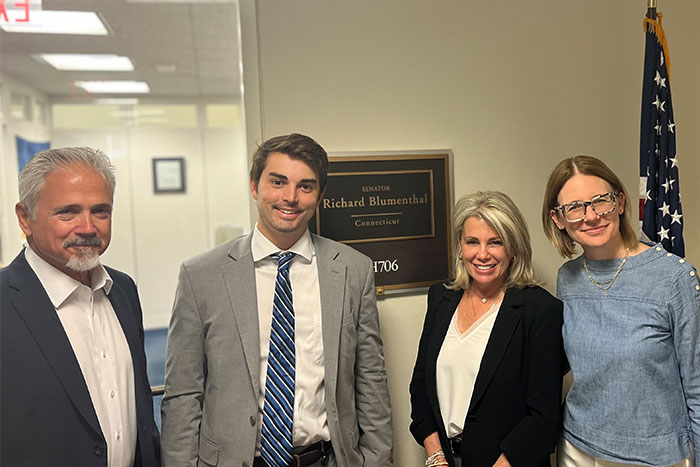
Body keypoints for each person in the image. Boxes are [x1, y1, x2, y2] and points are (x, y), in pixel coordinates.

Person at [160, 133, 393, 467]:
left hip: (324, 459)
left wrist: (378, 461)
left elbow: (371, 381)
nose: (290, 197)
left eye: (305, 186)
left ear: (320, 195)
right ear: (254, 186)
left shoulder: (353, 270)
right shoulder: (201, 276)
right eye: (278, 182)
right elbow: (183, 394)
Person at [0, 147, 161, 467]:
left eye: (100, 211)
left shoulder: (123, 291)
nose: (87, 227)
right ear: (25, 218)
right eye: (68, 213)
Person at [542, 155, 700, 467]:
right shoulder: (568, 278)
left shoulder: (675, 278)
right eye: (575, 207)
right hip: (577, 448)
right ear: (559, 219)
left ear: (620, 202)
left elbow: (697, 385)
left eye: (601, 201)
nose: (591, 216)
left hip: (655, 456)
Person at [410, 190, 564, 467]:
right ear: (460, 247)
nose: (482, 255)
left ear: (513, 249)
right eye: (472, 242)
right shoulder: (441, 298)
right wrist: (436, 456)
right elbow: (421, 387)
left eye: (496, 242)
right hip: (446, 459)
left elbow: (544, 417)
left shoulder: (540, 311)